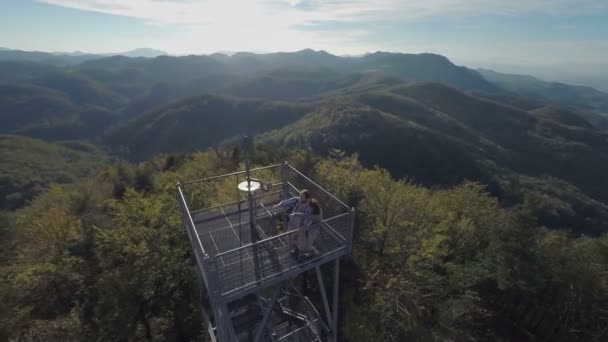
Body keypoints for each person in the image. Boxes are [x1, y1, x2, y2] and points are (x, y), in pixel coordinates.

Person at [273, 189, 312, 256]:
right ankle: (290, 249)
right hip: (293, 222)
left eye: (302, 196)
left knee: (301, 240)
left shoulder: (308, 206)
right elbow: (286, 202)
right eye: (300, 195)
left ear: (306, 198)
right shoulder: (297, 200)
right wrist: (278, 205)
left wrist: (304, 226)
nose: (300, 198)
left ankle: (301, 253)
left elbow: (307, 216)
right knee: (289, 236)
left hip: (300, 225)